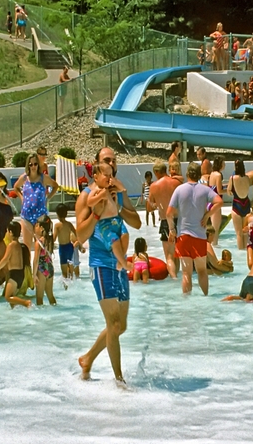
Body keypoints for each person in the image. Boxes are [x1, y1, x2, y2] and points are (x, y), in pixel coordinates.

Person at [75, 146, 142, 385]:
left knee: (120, 326)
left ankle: (88, 357)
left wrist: (119, 202)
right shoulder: (87, 195)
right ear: (97, 165)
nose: (111, 164)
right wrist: (97, 213)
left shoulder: (118, 191)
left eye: (114, 161)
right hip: (101, 263)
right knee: (113, 323)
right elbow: (80, 235)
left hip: (119, 264)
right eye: (106, 160)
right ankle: (119, 379)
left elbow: (137, 222)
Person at [167, 162, 223, 296]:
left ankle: (187, 303)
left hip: (183, 236)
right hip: (199, 236)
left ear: (187, 174)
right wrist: (208, 215)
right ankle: (205, 296)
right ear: (199, 175)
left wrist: (172, 230)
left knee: (186, 272)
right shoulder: (204, 190)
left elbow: (168, 213)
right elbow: (219, 202)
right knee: (202, 271)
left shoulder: (179, 190)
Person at [14, 153, 58, 275]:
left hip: (40, 217)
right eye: (31, 164)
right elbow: (15, 187)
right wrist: (21, 197)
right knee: (27, 246)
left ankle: (39, 272)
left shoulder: (43, 178)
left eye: (35, 164)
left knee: (40, 245)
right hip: (26, 216)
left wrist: (48, 197)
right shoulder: (24, 178)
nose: (33, 166)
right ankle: (28, 274)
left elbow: (55, 186)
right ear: (28, 165)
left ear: (38, 165)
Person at [86, 162, 130, 270]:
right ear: (96, 177)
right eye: (106, 175)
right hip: (104, 224)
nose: (109, 178)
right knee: (114, 241)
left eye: (111, 175)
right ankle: (124, 263)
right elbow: (89, 202)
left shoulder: (111, 189)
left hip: (116, 220)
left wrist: (116, 182)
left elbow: (123, 189)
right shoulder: (96, 191)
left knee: (125, 235)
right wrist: (100, 196)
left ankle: (120, 260)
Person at [149, 161, 182, 278]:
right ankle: (177, 275)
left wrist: (155, 203)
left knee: (169, 256)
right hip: (179, 220)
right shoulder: (177, 182)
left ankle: (173, 279)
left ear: (156, 172)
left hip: (165, 221)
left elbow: (149, 208)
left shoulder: (154, 186)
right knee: (177, 253)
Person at [0, 221, 31, 308]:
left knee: (8, 297)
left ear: (10, 232)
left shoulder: (11, 245)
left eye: (7, 231)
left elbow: (5, 259)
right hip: (20, 275)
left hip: (14, 275)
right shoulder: (19, 245)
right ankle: (13, 317)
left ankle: (26, 303)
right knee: (13, 300)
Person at [227, 159, 252, 251]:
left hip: (237, 204)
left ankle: (240, 253)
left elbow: (229, 191)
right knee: (245, 232)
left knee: (239, 233)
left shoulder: (232, 178)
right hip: (246, 204)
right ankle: (245, 252)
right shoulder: (247, 178)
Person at [34, 215, 57, 305]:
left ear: (41, 228)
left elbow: (36, 260)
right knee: (50, 296)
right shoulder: (50, 240)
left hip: (42, 269)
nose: (35, 228)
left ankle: (41, 318)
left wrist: (34, 275)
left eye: (36, 226)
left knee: (39, 298)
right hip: (50, 268)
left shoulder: (38, 243)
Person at [207, 156, 225, 244]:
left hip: (210, 202)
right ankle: (214, 247)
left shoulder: (212, 174)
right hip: (216, 203)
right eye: (223, 163)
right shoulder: (218, 175)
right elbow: (219, 190)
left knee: (212, 229)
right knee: (216, 229)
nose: (224, 165)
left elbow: (213, 187)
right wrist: (229, 191)